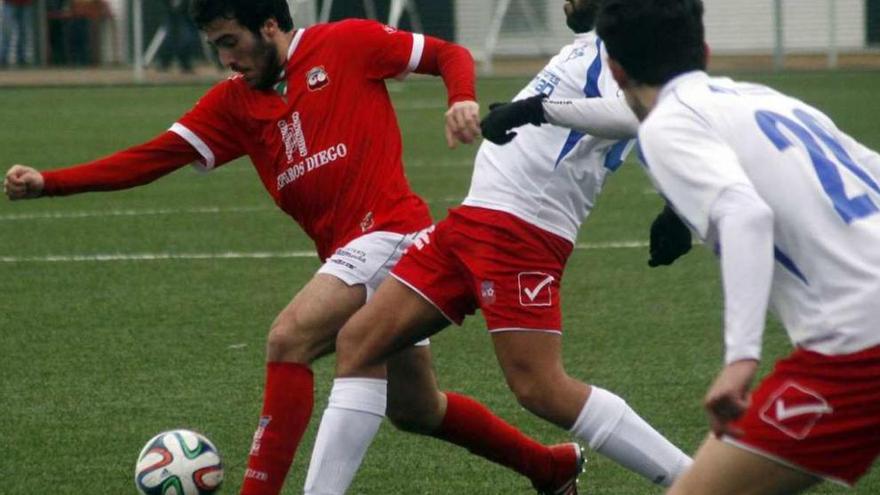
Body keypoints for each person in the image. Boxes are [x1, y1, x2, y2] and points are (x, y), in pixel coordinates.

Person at [4, 1, 589, 494]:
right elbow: (152, 158)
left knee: (290, 338)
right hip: (352, 256)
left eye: (231, 42)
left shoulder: (348, 43)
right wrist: (50, 182)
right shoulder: (234, 104)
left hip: (393, 233)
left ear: (268, 27)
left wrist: (460, 97)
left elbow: (446, 54)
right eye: (216, 47)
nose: (226, 59)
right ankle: (549, 467)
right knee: (416, 407)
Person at [302, 1, 694, 493]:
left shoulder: (627, 47)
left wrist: (537, 107)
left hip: (521, 230)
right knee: (359, 343)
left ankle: (699, 481)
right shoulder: (590, 48)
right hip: (472, 221)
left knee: (540, 388)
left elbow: (642, 113)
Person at [581, 0, 879, 493]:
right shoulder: (770, 100)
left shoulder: (666, 124)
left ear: (614, 69)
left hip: (855, 350)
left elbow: (744, 213)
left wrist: (740, 360)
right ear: (704, 48)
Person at [157, 0, 199, 73]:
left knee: (186, 38)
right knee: (168, 40)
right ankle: (164, 63)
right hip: (171, 17)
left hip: (185, 17)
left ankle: (185, 64)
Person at [0, 0, 35, 66]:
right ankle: (3, 58)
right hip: (9, 3)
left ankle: (23, 58)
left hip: (27, 3)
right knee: (7, 31)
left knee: (25, 31)